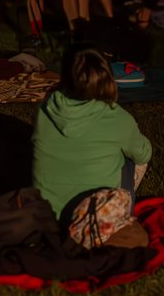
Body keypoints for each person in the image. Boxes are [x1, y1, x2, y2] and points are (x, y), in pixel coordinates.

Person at [32, 46, 152, 219]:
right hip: (97, 220)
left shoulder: (45, 109)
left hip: (48, 214)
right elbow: (144, 155)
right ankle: (121, 213)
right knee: (130, 156)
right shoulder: (118, 118)